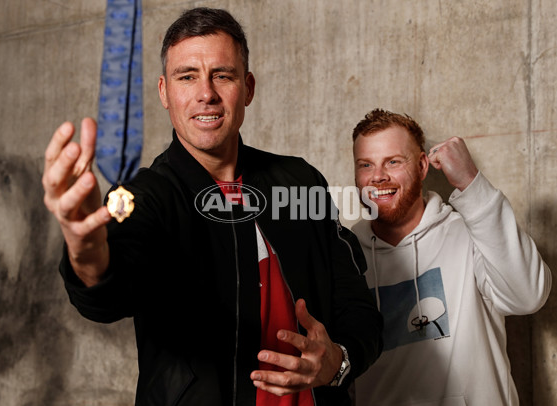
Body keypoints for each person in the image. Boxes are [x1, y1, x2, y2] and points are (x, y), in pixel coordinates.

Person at [42, 8, 382, 406]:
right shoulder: (144, 197)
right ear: (165, 92)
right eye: (187, 76)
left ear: (248, 88)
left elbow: (359, 311)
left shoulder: (300, 182)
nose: (206, 92)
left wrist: (337, 363)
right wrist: (87, 255)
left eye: (222, 74)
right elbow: (108, 295)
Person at [350, 109, 551, 405]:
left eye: (393, 161)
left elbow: (528, 296)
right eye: (366, 164)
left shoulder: (472, 233)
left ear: (421, 166)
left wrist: (471, 183)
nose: (378, 176)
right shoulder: (345, 257)